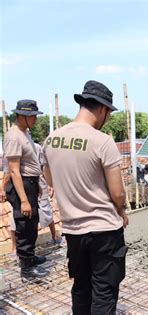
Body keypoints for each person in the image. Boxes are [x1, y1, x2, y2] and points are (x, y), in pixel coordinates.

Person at [43, 80, 128, 314]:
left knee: (81, 287)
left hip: (73, 231)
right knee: (104, 290)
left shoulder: (51, 139)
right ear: (102, 109)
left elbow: (51, 180)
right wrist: (121, 212)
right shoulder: (102, 141)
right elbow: (117, 192)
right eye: (108, 114)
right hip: (104, 230)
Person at [3, 100, 48, 279]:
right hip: (22, 184)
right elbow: (14, 170)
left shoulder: (24, 133)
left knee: (32, 223)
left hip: (30, 183)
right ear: (21, 116)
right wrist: (23, 200)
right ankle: (26, 268)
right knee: (24, 223)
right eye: (32, 116)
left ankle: (30, 257)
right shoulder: (14, 136)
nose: (35, 119)